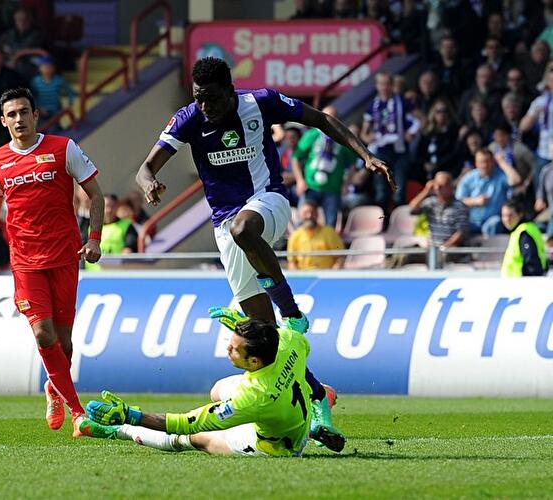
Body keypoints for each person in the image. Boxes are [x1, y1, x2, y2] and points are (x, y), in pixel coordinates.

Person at [135, 57, 393, 451]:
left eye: (211, 98)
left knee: (246, 230)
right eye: (199, 98)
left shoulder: (260, 102)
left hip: (267, 201)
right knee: (267, 340)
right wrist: (149, 182)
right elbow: (145, 167)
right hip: (224, 228)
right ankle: (319, 398)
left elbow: (323, 119)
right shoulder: (188, 118)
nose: (205, 107)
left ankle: (292, 311)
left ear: (229, 89)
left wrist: (365, 154)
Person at [0, 87, 104, 436]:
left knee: (64, 343)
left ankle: (53, 386)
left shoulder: (64, 148)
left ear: (35, 115)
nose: (19, 119)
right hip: (25, 261)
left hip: (64, 256)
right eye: (11, 114)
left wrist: (94, 238)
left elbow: (96, 195)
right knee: (44, 335)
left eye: (24, 112)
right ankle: (78, 412)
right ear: (4, 121)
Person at [76, 317, 326, 457]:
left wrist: (133, 416)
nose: (227, 348)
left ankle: (118, 430)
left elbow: (187, 423)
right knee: (218, 389)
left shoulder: (254, 397)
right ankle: (309, 429)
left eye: (234, 348)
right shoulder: (289, 342)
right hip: (284, 410)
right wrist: (242, 323)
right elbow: (297, 327)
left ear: (253, 361)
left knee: (194, 438)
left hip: (278, 445)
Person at [292, 106, 356, 226]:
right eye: (325, 116)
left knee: (330, 224)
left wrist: (346, 183)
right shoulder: (312, 135)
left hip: (333, 189)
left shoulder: (344, 138)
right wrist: (300, 180)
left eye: (333, 117)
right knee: (303, 222)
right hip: (310, 187)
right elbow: (295, 158)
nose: (328, 120)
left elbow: (353, 164)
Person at [361, 71, 417, 208]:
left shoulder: (402, 102)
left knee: (399, 189)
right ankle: (382, 223)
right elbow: (364, 133)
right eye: (381, 84)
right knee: (381, 191)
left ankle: (398, 222)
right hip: (380, 152)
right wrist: (369, 137)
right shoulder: (372, 105)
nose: (384, 87)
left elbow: (420, 120)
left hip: (400, 152)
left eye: (387, 84)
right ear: (377, 86)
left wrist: (411, 132)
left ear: (392, 85)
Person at [456, 148, 519, 236]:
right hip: (472, 221)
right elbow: (458, 201)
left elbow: (516, 180)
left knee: (492, 225)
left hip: (493, 220)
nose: (485, 165)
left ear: (493, 162)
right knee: (459, 227)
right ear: (476, 163)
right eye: (482, 162)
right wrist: (475, 201)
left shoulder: (500, 176)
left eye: (488, 161)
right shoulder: (468, 178)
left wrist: (502, 162)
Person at [409, 171, 470, 256]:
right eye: (436, 185)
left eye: (441, 186)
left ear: (450, 187)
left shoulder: (460, 207)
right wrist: (426, 191)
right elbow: (411, 209)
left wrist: (443, 248)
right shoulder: (431, 203)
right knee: (405, 255)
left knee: (442, 258)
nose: (437, 188)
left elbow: (461, 232)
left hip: (450, 249)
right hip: (431, 248)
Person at [287, 199, 344, 270]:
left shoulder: (329, 232)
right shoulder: (295, 236)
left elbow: (340, 257)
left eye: (312, 212)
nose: (309, 216)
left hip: (327, 275)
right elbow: (291, 262)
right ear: (300, 215)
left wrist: (332, 274)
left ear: (317, 214)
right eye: (305, 213)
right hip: (303, 276)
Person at [500, 200, 548, 277]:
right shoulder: (520, 231)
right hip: (515, 286)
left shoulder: (524, 233)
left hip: (521, 286)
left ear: (520, 214)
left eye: (510, 215)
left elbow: (532, 265)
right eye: (503, 215)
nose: (506, 219)